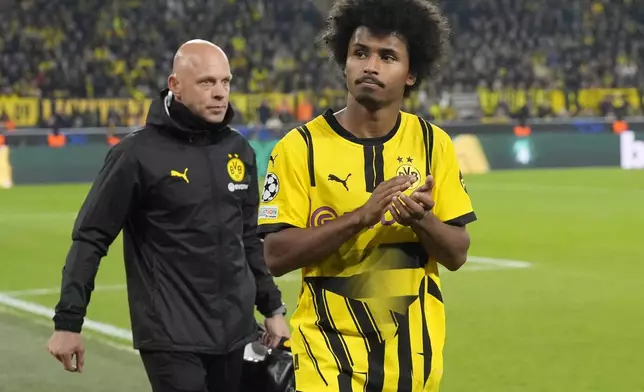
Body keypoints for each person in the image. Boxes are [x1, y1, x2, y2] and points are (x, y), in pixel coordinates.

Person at [46, 39, 290, 392]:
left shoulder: (237, 149)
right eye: (207, 83)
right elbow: (90, 237)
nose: (220, 93)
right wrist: (68, 322)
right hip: (171, 336)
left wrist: (273, 309)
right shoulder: (136, 154)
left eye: (226, 82)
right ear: (175, 85)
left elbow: (249, 237)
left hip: (236, 332)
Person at [257, 0, 477, 391]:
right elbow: (276, 257)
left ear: (411, 74)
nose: (370, 66)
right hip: (326, 359)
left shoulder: (433, 144)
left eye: (387, 56)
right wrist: (361, 216)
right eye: (360, 53)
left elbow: (457, 253)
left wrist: (421, 220)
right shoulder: (298, 148)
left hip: (414, 363)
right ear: (345, 61)